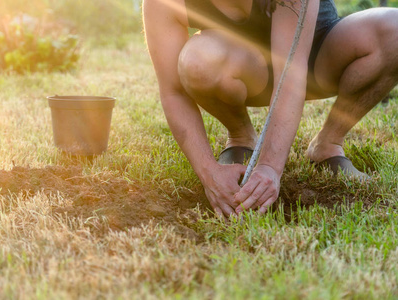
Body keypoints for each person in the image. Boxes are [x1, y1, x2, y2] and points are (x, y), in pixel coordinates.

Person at [143, 0, 398, 217]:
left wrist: (270, 167)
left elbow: (290, 77)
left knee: (394, 29)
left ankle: (328, 143)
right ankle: (241, 137)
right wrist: (208, 172)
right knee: (198, 62)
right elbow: (173, 91)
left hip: (315, 61)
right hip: (246, 69)